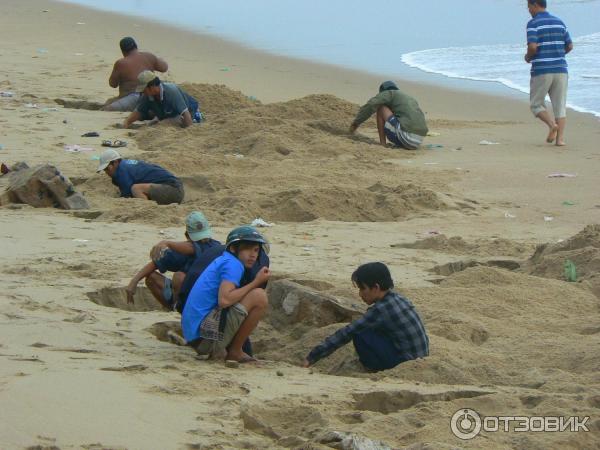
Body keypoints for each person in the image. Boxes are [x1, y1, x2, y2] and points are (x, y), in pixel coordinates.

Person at [303, 262, 429, 372]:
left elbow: (348, 332)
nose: (360, 294)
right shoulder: (400, 298)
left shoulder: (380, 310)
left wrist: (313, 356)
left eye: (362, 289)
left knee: (360, 334)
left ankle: (373, 368)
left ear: (376, 287)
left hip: (405, 363)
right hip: (421, 357)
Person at [181, 226, 271, 363]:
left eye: (256, 250)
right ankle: (235, 352)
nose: (253, 255)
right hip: (203, 339)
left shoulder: (225, 260)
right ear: (233, 248)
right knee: (259, 296)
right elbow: (224, 300)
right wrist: (256, 282)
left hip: (194, 335)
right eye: (247, 248)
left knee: (248, 295)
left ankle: (230, 349)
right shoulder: (232, 265)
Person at [126, 211, 220, 310]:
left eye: (204, 238)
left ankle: (180, 306)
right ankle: (175, 307)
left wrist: (168, 243)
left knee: (179, 276)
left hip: (207, 295)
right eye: (198, 239)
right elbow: (154, 264)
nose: (202, 241)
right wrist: (134, 281)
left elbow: (193, 248)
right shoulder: (181, 251)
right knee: (151, 277)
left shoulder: (214, 246)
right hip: (186, 294)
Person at [525, 0, 573, 146]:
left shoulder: (533, 23)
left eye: (528, 6)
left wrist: (528, 57)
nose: (528, 10)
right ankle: (560, 140)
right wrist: (558, 54)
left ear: (535, 5)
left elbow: (533, 47)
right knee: (560, 105)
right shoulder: (559, 22)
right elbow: (569, 45)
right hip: (561, 69)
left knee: (536, 104)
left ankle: (552, 125)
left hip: (542, 69)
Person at [349, 81, 428, 150]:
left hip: (407, 138)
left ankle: (382, 144)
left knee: (381, 108)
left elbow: (371, 105)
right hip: (418, 141)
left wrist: (356, 123)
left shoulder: (389, 93)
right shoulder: (408, 98)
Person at [97, 148, 184, 205]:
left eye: (107, 168)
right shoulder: (125, 165)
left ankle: (147, 209)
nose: (106, 172)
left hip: (173, 190)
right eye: (104, 170)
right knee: (136, 188)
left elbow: (126, 196)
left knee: (136, 189)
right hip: (174, 188)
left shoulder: (122, 171)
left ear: (115, 162)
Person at [103, 37, 168, 112]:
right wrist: (157, 60)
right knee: (109, 101)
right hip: (151, 94)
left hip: (133, 97)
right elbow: (164, 68)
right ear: (136, 46)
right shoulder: (149, 56)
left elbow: (113, 84)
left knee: (107, 108)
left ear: (123, 51)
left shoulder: (121, 63)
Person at [122, 71, 202, 129]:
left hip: (188, 109)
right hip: (167, 112)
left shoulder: (171, 91)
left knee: (163, 123)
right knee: (151, 117)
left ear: (152, 86)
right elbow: (139, 111)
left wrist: (189, 131)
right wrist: (127, 122)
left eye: (144, 89)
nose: (142, 92)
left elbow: (186, 114)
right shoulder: (148, 95)